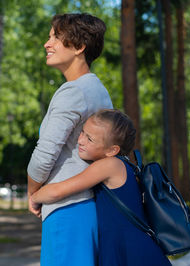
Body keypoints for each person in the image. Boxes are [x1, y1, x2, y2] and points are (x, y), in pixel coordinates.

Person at [31, 109, 172, 266]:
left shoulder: (109, 165)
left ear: (112, 150)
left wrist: (34, 196)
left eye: (90, 139)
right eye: (83, 132)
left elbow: (58, 191)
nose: (80, 140)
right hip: (124, 246)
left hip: (131, 250)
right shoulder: (123, 165)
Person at [27, 13, 113, 266]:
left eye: (55, 37)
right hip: (87, 207)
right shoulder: (97, 89)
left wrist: (34, 192)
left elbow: (44, 155)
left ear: (79, 47)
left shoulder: (73, 92)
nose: (47, 43)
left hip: (68, 210)